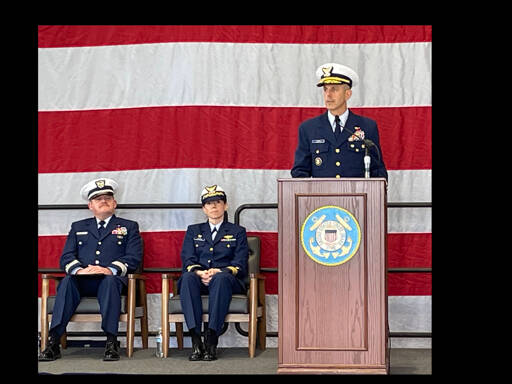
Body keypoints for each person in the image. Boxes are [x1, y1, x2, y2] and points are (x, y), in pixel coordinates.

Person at [38, 178, 143, 362]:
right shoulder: (78, 227)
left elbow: (133, 257)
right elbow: (66, 257)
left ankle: (111, 342)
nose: (103, 201)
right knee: (68, 281)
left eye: (107, 197)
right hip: (83, 280)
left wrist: (109, 269)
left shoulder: (128, 226)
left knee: (109, 282)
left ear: (114, 203)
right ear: (90, 205)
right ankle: (53, 342)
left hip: (112, 281)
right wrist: (79, 270)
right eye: (98, 199)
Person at [178, 185, 249, 361]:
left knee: (220, 279)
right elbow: (187, 259)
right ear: (204, 209)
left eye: (218, 202)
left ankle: (211, 340)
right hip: (199, 278)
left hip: (227, 280)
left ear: (225, 206)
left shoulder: (237, 232)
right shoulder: (194, 231)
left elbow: (240, 263)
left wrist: (220, 271)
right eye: (209, 204)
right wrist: (200, 273)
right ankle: (196, 341)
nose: (214, 207)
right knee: (187, 277)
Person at [291, 62, 388, 180]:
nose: (328, 95)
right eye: (325, 89)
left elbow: (377, 171)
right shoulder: (308, 129)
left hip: (357, 197)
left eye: (334, 89)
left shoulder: (367, 127)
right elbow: (300, 172)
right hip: (321, 197)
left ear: (347, 94)